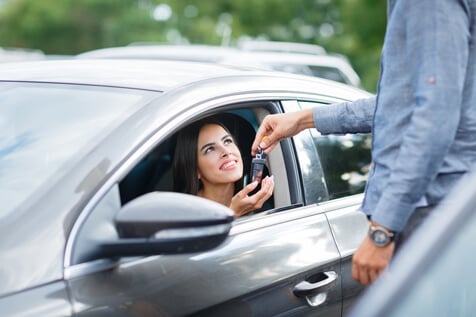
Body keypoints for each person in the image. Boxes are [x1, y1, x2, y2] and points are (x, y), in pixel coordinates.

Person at [252, 0, 476, 286]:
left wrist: (382, 230)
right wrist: (303, 119)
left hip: (430, 210)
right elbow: (399, 107)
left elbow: (435, 118)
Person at [173, 117, 274, 217]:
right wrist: (233, 213)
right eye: (210, 149)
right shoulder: (186, 214)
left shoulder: (256, 207)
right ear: (196, 169)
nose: (226, 151)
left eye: (227, 141)